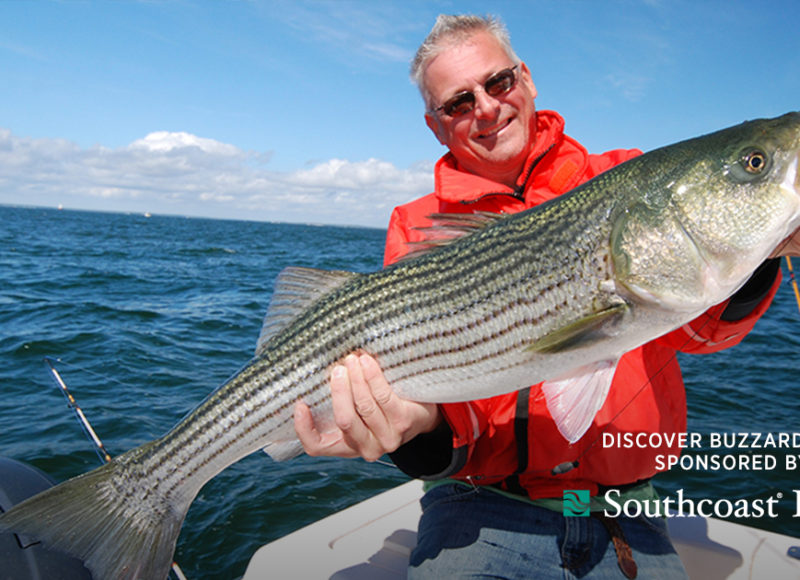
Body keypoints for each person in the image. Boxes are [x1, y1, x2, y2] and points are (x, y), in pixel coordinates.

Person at [294, 14, 793, 579]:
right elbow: (444, 397)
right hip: (478, 507)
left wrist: (761, 250)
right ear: (435, 125)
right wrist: (415, 433)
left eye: (498, 82)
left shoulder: (625, 177)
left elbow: (703, 333)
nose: (485, 107)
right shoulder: (417, 227)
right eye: (458, 102)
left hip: (622, 511)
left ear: (526, 79)